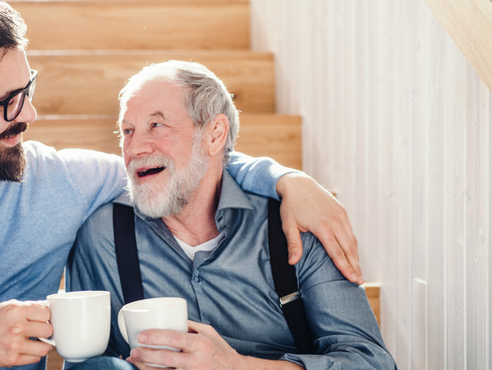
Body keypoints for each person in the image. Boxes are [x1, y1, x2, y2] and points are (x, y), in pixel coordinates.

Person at [0, 1, 362, 369]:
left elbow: (185, 162)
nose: (29, 116)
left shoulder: (59, 178)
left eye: (27, 88)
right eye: (7, 103)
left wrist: (286, 178)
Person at [67, 61, 395, 369]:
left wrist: (237, 366)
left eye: (156, 125)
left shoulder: (295, 225)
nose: (136, 148)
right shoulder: (103, 236)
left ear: (214, 135)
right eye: (127, 131)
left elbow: (371, 362)